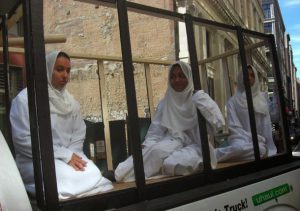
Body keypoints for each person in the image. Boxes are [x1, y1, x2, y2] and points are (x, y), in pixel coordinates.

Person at [10, 50, 113, 199]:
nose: (65, 75)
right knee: (67, 178)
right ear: (47, 70)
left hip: (71, 156)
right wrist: (64, 155)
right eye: (59, 70)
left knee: (93, 172)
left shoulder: (71, 102)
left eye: (68, 70)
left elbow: (78, 134)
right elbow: (23, 140)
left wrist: (72, 156)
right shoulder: (25, 100)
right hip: (37, 160)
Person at [115, 61, 225, 182]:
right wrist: (146, 145)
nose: (176, 80)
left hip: (195, 147)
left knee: (172, 163)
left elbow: (218, 124)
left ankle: (161, 168)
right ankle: (120, 174)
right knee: (155, 152)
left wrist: (201, 99)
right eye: (172, 77)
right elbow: (155, 132)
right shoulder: (165, 103)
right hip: (171, 143)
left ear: (189, 77)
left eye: (181, 76)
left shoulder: (199, 99)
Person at [216, 65, 277, 162]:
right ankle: (214, 155)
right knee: (239, 148)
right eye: (246, 75)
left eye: (252, 75)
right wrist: (250, 139)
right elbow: (234, 128)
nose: (249, 78)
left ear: (255, 78)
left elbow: (267, 125)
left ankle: (219, 155)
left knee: (260, 150)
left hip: (259, 141)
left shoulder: (262, 99)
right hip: (240, 140)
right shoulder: (232, 101)